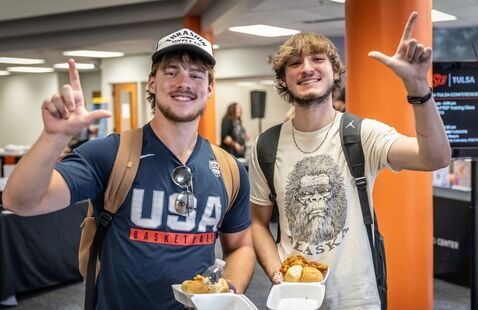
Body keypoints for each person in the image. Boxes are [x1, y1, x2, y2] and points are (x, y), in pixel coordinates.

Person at [3, 28, 255, 309]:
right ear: (151, 83)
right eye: (171, 72)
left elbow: (241, 245)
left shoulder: (229, 169)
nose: (184, 82)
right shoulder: (110, 154)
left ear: (209, 88)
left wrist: (227, 290)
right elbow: (20, 201)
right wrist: (54, 137)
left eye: (196, 75)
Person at [248, 11, 450, 309]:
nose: (306, 68)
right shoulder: (266, 145)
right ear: (283, 79)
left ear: (334, 71)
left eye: (317, 59)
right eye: (294, 63)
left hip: (358, 299)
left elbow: (435, 157)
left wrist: (418, 87)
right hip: (293, 299)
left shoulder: (361, 134)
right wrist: (276, 273)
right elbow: (258, 222)